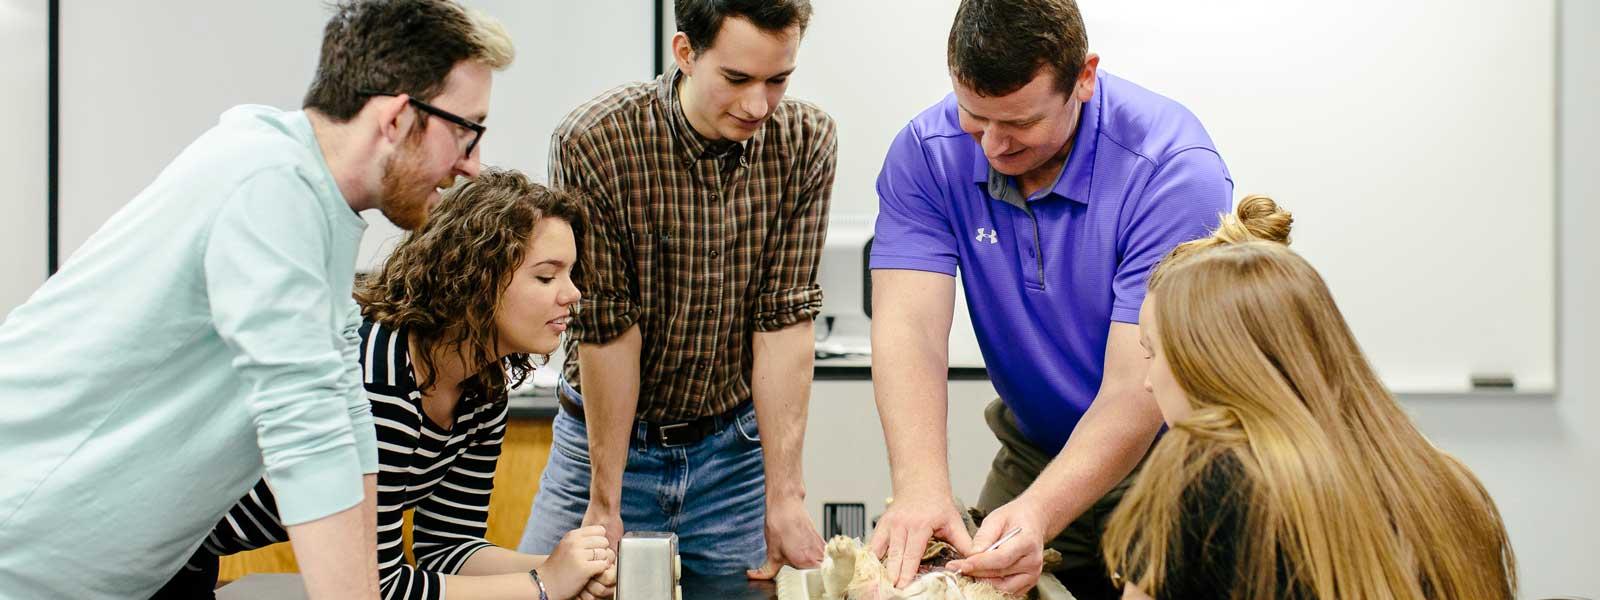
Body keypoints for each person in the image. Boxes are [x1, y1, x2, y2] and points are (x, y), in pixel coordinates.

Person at [0, 2, 512, 597]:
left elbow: (348, 423)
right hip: (23, 557)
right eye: (465, 131)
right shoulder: (267, 184)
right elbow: (305, 430)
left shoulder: (317, 204)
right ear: (398, 118)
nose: (472, 165)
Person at [867, 0, 1233, 596]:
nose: (992, 146)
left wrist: (1037, 514)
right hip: (1033, 446)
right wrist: (920, 488)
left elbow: (1132, 387)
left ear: (1083, 77)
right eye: (974, 116)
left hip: (1171, 459)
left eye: (1020, 123)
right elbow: (909, 330)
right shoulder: (927, 152)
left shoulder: (1171, 168)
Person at [154, 170, 617, 600]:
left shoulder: (482, 390)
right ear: (477, 277)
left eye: (571, 274)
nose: (572, 293)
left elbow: (449, 548)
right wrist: (542, 585)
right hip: (146, 546)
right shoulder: (381, 377)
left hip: (188, 553)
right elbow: (379, 587)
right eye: (546, 275)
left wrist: (565, 569)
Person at [514, 0, 837, 578]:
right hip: (605, 447)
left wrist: (785, 495)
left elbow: (784, 318)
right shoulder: (598, 142)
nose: (757, 105)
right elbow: (608, 327)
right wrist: (606, 503)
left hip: (730, 459)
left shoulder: (806, 142)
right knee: (548, 589)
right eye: (736, 79)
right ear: (686, 52)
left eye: (778, 80)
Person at [1101, 195, 1518, 599]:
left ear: (1210, 362)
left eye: (1153, 353)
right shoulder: (1446, 481)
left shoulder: (1199, 472)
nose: (1149, 382)